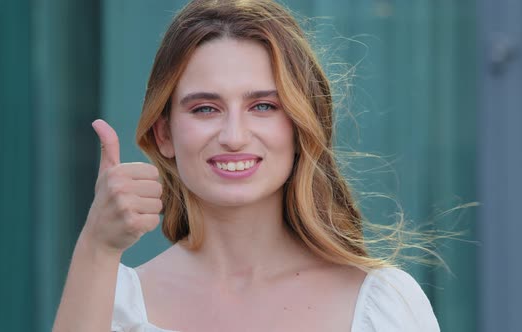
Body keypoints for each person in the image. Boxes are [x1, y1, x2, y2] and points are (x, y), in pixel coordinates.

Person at [53, 0, 440, 331]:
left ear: (301, 126)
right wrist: (97, 246)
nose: (234, 136)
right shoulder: (113, 303)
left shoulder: (384, 304)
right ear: (164, 134)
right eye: (206, 108)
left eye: (263, 106)